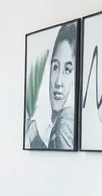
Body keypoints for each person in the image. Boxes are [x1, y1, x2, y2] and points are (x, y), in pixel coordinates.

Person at [26, 22, 77, 150]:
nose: (58, 82)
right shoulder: (52, 124)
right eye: (55, 67)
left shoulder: (66, 123)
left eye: (67, 70)